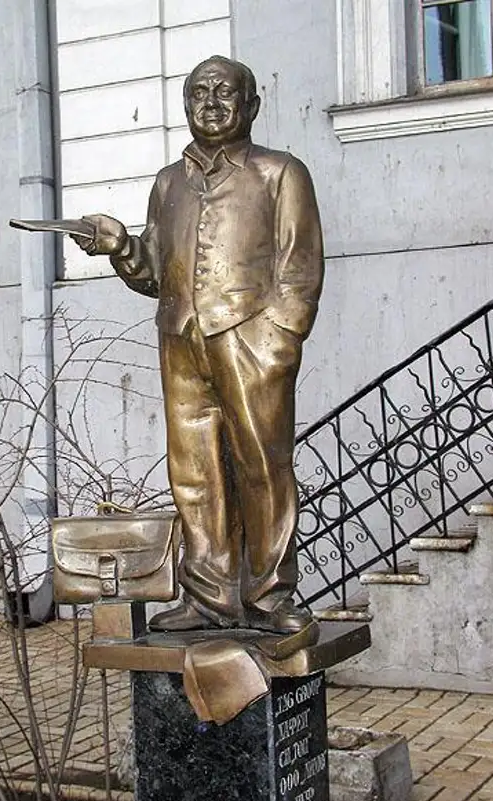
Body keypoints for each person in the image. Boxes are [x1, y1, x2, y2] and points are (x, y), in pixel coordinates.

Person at [73, 56, 324, 634]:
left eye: (224, 92)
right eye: (197, 94)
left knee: (263, 468)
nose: (210, 104)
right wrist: (120, 247)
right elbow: (155, 272)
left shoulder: (280, 173)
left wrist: (279, 341)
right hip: (180, 340)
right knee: (194, 474)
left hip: (250, 338)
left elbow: (300, 267)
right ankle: (210, 597)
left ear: (252, 105)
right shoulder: (169, 182)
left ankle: (270, 597)